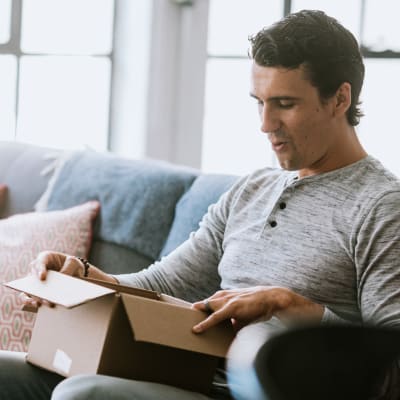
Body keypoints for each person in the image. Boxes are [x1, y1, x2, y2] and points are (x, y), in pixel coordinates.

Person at [1, 9, 400, 400]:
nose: (265, 124)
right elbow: (164, 285)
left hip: (254, 390)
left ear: (340, 98)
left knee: (82, 395)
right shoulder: (252, 189)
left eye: (285, 103)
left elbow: (391, 362)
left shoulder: (381, 206)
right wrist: (84, 278)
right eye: (258, 102)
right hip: (184, 375)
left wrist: (290, 305)